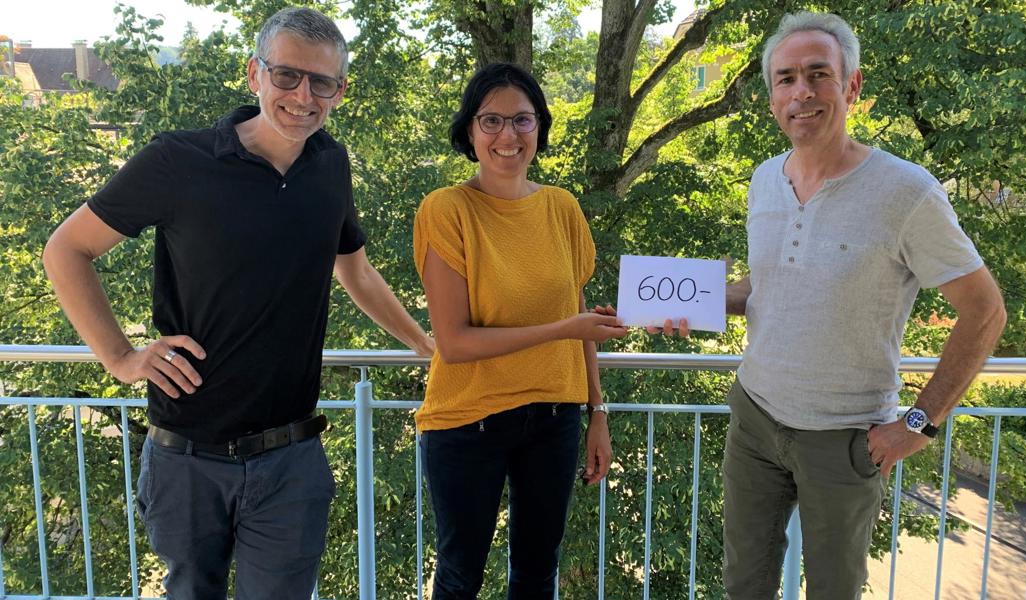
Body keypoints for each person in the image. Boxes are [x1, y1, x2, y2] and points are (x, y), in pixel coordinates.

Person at [42, 7, 433, 598]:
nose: (304, 95)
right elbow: (66, 250)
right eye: (287, 76)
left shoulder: (331, 165)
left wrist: (427, 346)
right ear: (255, 74)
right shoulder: (178, 160)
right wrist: (120, 357)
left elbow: (356, 271)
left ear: (340, 90)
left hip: (291, 458)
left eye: (321, 82)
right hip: (185, 458)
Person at [655, 11, 1007, 599]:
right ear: (772, 97)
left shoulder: (906, 191)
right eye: (786, 79)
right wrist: (693, 302)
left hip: (845, 436)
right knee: (743, 581)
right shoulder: (765, 179)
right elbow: (765, 287)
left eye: (819, 74)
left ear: (851, 86)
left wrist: (920, 422)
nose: (802, 92)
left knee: (835, 590)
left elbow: (987, 311)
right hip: (755, 419)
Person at [413, 62, 627, 599]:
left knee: (537, 573)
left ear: (540, 128)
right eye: (491, 121)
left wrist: (596, 412)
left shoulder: (561, 207)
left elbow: (580, 321)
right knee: (460, 576)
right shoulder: (447, 209)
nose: (508, 135)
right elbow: (456, 344)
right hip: (468, 421)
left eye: (522, 120)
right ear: (469, 130)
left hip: (556, 418)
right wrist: (564, 327)